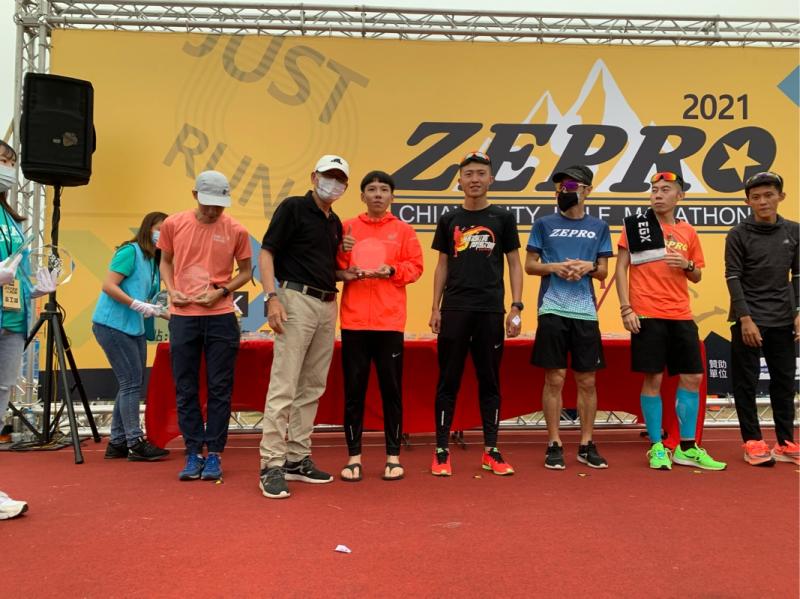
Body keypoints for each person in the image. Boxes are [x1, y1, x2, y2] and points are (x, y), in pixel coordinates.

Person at [616, 171, 725, 471]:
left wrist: (686, 264)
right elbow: (621, 269)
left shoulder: (688, 231)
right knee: (653, 379)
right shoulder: (636, 226)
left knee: (693, 377)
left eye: (665, 189)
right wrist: (626, 309)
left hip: (681, 314)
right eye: (654, 190)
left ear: (680, 196)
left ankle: (687, 448)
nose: (658, 195)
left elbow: (697, 274)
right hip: (647, 313)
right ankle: (656, 447)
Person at [258, 155, 351, 499]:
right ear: (314, 176)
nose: (332, 183)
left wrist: (349, 273)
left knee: (312, 385)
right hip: (295, 299)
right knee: (284, 383)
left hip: (327, 303)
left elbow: (324, 266)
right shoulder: (293, 208)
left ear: (345, 186)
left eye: (339, 179)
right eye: (328, 175)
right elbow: (267, 253)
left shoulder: (335, 222)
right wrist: (272, 297)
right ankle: (271, 463)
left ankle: (297, 458)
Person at [429, 151, 523, 477]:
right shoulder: (449, 220)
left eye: (481, 173)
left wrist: (516, 307)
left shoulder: (503, 218)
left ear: (491, 179)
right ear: (460, 180)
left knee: (490, 381)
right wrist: (435, 307)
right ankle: (441, 451)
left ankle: (491, 450)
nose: (475, 179)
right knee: (448, 381)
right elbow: (442, 265)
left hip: (490, 310)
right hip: (454, 309)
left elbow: (514, 264)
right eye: (468, 174)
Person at [158, 170, 252, 481]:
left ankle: (215, 454)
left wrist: (222, 292)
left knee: (219, 387)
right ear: (195, 195)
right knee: (185, 386)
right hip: (184, 315)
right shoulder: (174, 224)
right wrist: (172, 291)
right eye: (208, 204)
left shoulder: (237, 230)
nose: (213, 211)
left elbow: (246, 271)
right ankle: (193, 451)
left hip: (221, 315)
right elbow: (165, 261)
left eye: (219, 206)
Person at [336, 170, 423, 482]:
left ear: (392, 196)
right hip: (354, 322)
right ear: (362, 196)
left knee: (391, 392)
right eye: (371, 189)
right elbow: (334, 268)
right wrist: (344, 257)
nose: (377, 194)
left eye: (383, 190)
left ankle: (393, 457)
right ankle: (353, 458)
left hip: (389, 323)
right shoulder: (346, 227)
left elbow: (416, 267)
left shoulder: (404, 230)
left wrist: (392, 270)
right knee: (354, 392)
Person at [526, 165, 612, 470]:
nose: (564, 190)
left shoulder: (599, 227)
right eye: (560, 186)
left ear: (587, 190)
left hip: (585, 311)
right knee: (555, 377)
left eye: (571, 185)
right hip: (552, 308)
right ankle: (554, 443)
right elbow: (530, 265)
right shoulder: (543, 224)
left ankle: (587, 444)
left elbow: (603, 270)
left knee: (587, 379)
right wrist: (556, 267)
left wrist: (588, 266)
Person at [725, 171, 799, 466]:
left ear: (781, 196)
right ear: (748, 202)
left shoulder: (794, 231)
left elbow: (798, 275)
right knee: (746, 382)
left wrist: (798, 312)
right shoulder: (738, 234)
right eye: (755, 197)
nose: (763, 201)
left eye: (769, 195)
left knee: (784, 382)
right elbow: (733, 277)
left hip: (783, 318)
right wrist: (745, 318)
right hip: (749, 320)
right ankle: (753, 441)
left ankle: (785, 442)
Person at [92, 211, 171, 461]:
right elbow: (109, 285)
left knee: (130, 383)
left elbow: (150, 300)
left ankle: (117, 442)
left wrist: (168, 314)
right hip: (112, 324)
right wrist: (136, 304)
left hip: (134, 327)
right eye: (160, 229)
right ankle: (135, 441)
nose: (163, 234)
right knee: (131, 383)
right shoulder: (130, 251)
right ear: (148, 228)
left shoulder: (155, 261)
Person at [0, 140, 57, 443]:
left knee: (2, 390)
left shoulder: (11, 218)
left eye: (11, 163)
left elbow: (17, 270)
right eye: (2, 161)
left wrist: (32, 290)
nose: (7, 169)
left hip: (12, 318)